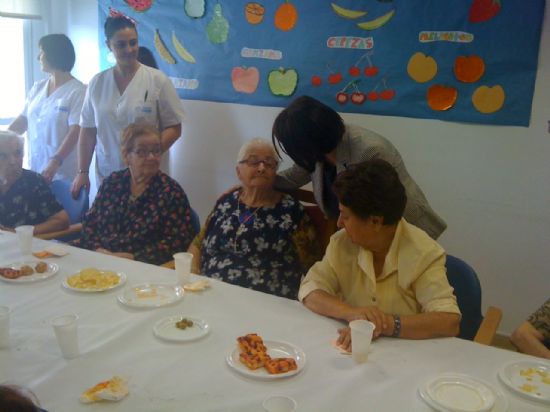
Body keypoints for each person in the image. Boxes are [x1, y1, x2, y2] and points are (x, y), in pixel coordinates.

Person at [298, 159, 460, 350]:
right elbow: (310, 291)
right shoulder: (342, 242)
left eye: (346, 216)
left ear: (375, 222)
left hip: (406, 357)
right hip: (351, 350)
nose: (340, 223)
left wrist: (387, 324)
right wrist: (352, 313)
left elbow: (449, 321)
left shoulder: (423, 252)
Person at [272, 95, 446, 239]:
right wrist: (261, 178)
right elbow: (294, 176)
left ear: (308, 143)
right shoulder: (318, 151)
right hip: (358, 233)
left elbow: (379, 215)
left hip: (399, 229)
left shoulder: (370, 152)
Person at [189, 138, 320, 299]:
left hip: (263, 302)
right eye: (253, 161)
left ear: (275, 172)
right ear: (238, 172)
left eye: (269, 163)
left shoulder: (292, 212)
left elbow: (313, 267)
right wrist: (194, 276)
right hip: (210, 292)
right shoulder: (226, 202)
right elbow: (197, 244)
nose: (262, 168)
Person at [71, 12, 184, 197]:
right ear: (109, 45)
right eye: (121, 45)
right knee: (112, 222)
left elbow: (174, 128)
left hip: (149, 174)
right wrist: (82, 172)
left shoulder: (157, 80)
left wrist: (149, 156)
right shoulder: (97, 83)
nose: (129, 49)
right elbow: (88, 131)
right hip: (108, 173)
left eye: (133, 42)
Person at [77, 124, 196, 265]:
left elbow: (178, 243)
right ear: (126, 156)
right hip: (100, 260)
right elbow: (90, 225)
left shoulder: (171, 192)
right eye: (142, 152)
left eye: (156, 151)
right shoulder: (112, 183)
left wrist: (134, 258)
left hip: (143, 267)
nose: (151, 157)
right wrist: (99, 251)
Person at [9, 34, 85, 183]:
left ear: (53, 54)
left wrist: (55, 161)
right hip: (36, 168)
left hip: (62, 173)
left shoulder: (78, 91)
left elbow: (75, 131)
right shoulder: (38, 87)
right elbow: (22, 120)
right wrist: (3, 138)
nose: (39, 58)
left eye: (42, 52)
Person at [0, 131, 69, 235]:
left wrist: (18, 233)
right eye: (3, 156)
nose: (13, 161)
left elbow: (61, 221)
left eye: (17, 153)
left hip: (28, 245)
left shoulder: (33, 181)